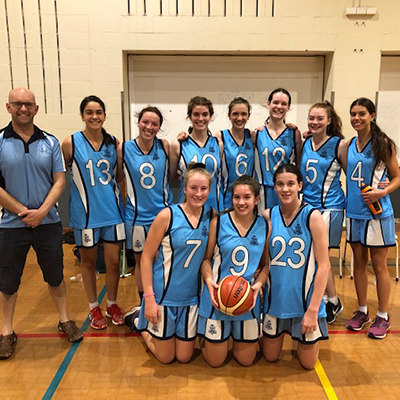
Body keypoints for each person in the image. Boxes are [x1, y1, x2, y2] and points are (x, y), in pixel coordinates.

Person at [0, 87, 83, 360]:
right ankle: (6, 332)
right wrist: (24, 212)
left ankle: (64, 319)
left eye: (28, 104)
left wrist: (42, 211)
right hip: (11, 225)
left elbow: (60, 181)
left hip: (48, 223)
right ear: (9, 107)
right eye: (17, 104)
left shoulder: (50, 142)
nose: (23, 109)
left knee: (55, 275)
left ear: (36, 109)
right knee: (8, 281)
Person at [127, 164, 214, 364]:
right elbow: (146, 257)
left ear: (209, 190)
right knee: (166, 358)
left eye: (203, 188)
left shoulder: (211, 216)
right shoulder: (167, 216)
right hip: (164, 296)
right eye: (193, 188)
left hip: (191, 298)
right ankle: (138, 320)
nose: (198, 193)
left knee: (184, 357)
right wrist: (149, 298)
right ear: (184, 188)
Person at [62, 95, 125, 330]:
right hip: (85, 215)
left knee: (113, 263)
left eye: (98, 112)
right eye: (89, 112)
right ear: (82, 116)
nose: (94, 116)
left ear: (105, 116)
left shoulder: (114, 143)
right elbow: (61, 173)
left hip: (112, 212)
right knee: (89, 263)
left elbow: (119, 177)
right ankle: (93, 307)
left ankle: (112, 304)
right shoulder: (70, 142)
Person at [261, 164, 330, 370]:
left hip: (305, 302)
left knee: (308, 364)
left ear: (300, 185)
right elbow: (264, 260)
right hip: (276, 300)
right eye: (280, 184)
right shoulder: (268, 215)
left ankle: (301, 331)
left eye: (290, 184)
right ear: (274, 187)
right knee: (270, 357)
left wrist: (313, 310)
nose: (285, 189)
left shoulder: (312, 216)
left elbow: (324, 266)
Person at [198, 175, 268, 367]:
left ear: (257, 199)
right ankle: (206, 335)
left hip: (247, 299)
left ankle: (235, 335)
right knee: (215, 362)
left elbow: (266, 265)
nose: (241, 202)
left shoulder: (264, 225)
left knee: (246, 361)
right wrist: (209, 281)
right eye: (237, 197)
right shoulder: (219, 222)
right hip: (218, 297)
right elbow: (206, 260)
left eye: (247, 197)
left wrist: (258, 285)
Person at [345, 98, 400, 339]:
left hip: (377, 213)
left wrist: (382, 192)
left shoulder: (383, 143)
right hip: (354, 212)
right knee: (358, 263)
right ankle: (362, 311)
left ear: (372, 115)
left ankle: (383, 315)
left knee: (379, 266)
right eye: (353, 114)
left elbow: (397, 177)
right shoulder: (349, 144)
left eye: (362, 113)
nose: (356, 118)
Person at [118, 106, 172, 308]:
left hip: (163, 215)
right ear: (138, 122)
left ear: (159, 127)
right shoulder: (124, 148)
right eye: (145, 122)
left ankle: (162, 301)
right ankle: (144, 305)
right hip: (136, 217)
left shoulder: (165, 146)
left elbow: (171, 175)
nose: (149, 127)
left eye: (154, 124)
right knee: (142, 262)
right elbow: (118, 177)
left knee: (162, 260)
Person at [300, 101, 347, 324]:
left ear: (329, 120)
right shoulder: (305, 142)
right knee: (314, 255)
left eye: (320, 118)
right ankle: (327, 299)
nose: (315, 122)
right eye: (312, 118)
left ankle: (332, 301)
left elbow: (353, 173)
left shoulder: (340, 145)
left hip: (330, 207)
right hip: (308, 207)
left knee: (321, 257)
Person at [170, 96, 223, 212]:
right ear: (189, 116)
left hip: (214, 205)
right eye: (196, 114)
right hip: (187, 206)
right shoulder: (178, 144)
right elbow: (170, 177)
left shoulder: (218, 144)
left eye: (205, 114)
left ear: (210, 116)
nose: (200, 118)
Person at [253, 88, 302, 213]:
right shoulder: (257, 133)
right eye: (275, 102)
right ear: (268, 104)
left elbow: (299, 164)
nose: (279, 107)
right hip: (263, 190)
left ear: (288, 107)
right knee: (265, 223)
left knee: (287, 223)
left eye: (284, 104)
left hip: (286, 190)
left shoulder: (294, 133)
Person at [218, 98, 255, 208]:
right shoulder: (220, 137)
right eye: (235, 114)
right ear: (229, 116)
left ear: (248, 116)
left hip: (248, 198)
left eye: (243, 114)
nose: (239, 118)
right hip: (227, 197)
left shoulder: (253, 136)